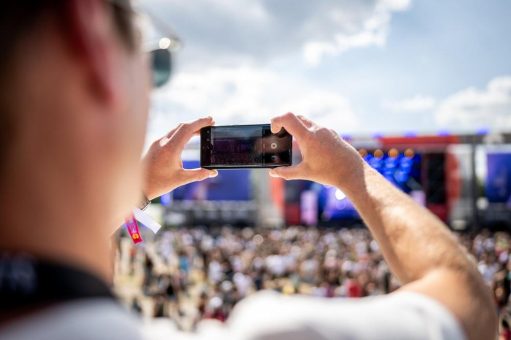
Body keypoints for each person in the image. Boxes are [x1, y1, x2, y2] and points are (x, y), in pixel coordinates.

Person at [0, 1, 497, 340]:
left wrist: (136, 191)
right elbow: (468, 303)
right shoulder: (274, 330)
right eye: (153, 61)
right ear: (89, 38)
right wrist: (352, 173)